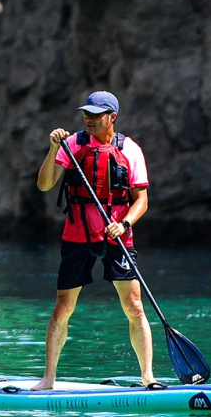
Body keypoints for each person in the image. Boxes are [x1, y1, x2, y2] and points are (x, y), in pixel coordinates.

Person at [33, 90, 156, 391]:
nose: (88, 118)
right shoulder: (72, 144)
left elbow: (142, 200)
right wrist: (52, 149)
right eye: (86, 113)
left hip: (118, 235)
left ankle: (148, 377)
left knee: (135, 307)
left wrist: (124, 223)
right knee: (63, 307)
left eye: (96, 114)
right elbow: (45, 184)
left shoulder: (131, 150)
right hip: (77, 234)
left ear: (112, 117)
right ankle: (48, 377)